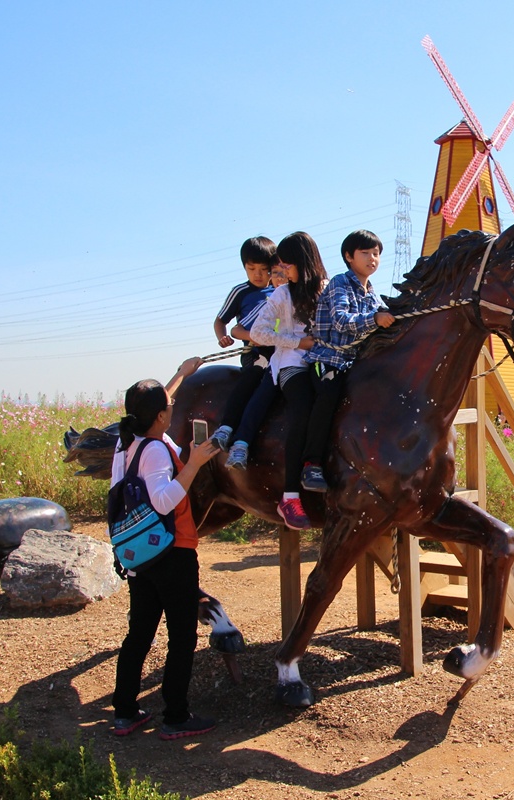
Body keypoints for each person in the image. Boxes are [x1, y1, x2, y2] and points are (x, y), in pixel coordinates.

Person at [111, 357, 220, 740]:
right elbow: (162, 501)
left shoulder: (126, 443)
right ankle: (175, 716)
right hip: (172, 551)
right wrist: (194, 464)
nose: (173, 406)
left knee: (139, 633)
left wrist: (180, 374)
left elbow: (156, 402)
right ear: (159, 417)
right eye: (169, 407)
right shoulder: (157, 451)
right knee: (181, 636)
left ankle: (125, 712)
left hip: (139, 554)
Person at [227, 231, 328, 530]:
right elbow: (259, 333)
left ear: (304, 261)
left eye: (286, 263)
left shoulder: (327, 289)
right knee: (303, 407)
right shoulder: (282, 294)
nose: (281, 269)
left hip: (322, 361)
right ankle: (290, 496)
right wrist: (297, 342)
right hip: (291, 363)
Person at [300, 229, 395, 490]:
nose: (372, 258)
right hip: (327, 359)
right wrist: (375, 319)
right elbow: (342, 321)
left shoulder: (373, 294)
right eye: (365, 253)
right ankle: (311, 464)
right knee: (328, 396)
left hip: (355, 363)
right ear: (348, 256)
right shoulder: (340, 283)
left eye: (376, 253)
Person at [212, 237, 277, 450]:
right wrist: (222, 337)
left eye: (264, 269)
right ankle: (227, 428)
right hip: (254, 351)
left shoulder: (280, 290)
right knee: (253, 380)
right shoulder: (240, 292)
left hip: (279, 351)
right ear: (244, 267)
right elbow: (220, 321)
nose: (258, 274)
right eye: (252, 269)